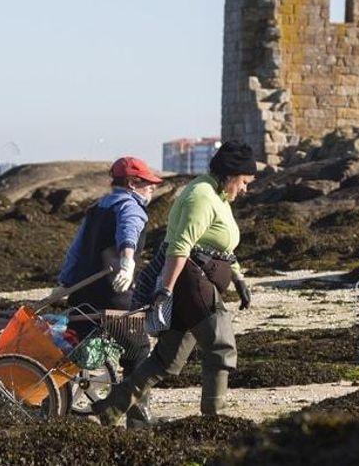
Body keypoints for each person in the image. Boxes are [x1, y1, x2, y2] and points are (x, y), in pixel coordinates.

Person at [93, 140, 257, 424]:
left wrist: (238, 277)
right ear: (230, 174)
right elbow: (179, 246)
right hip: (190, 280)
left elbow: (223, 245)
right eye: (244, 181)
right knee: (221, 345)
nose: (245, 189)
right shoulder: (201, 196)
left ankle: (109, 410)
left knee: (166, 361)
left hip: (201, 280)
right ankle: (213, 419)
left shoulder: (220, 196)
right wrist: (165, 290)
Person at [57, 156, 162, 427]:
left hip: (82, 295)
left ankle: (49, 396)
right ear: (132, 183)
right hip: (113, 294)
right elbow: (129, 232)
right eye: (147, 183)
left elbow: (75, 250)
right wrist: (127, 264)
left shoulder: (97, 208)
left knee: (73, 350)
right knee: (138, 352)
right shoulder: (131, 206)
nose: (152, 188)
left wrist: (64, 283)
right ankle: (138, 423)